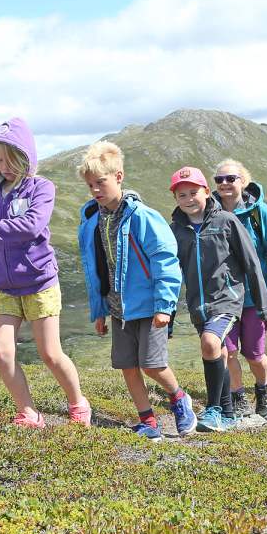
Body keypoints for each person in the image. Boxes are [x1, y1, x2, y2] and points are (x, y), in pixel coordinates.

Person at [0, 118, 91, 428]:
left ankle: (78, 402)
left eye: (11, 160)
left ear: (27, 157)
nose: (5, 166)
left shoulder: (42, 187)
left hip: (39, 283)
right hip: (3, 286)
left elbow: (30, 226)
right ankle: (28, 412)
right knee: (1, 351)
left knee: (50, 354)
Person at [76, 141, 197, 439]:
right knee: (128, 366)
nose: (95, 190)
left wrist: (164, 306)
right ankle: (148, 421)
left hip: (150, 306)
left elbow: (165, 260)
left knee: (153, 364)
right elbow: (98, 269)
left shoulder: (142, 215)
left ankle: (179, 398)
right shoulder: (94, 220)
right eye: (90, 185)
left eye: (100, 182)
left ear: (118, 177)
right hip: (118, 309)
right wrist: (100, 310)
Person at [169, 166, 267, 432]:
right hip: (198, 305)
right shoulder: (176, 230)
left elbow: (251, 263)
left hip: (226, 299)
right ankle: (227, 413)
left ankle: (212, 409)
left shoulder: (226, 221)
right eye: (182, 195)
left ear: (205, 191)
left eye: (193, 192)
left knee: (210, 343)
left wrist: (262, 305)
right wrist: (168, 312)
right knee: (220, 352)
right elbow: (171, 273)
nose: (189, 199)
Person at [211, 159, 267, 419]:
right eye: (219, 180)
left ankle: (263, 390)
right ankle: (238, 397)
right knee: (229, 351)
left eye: (230, 178)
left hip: (254, 295)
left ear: (243, 182)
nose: (224, 184)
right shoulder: (210, 212)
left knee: (255, 355)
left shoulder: (259, 213)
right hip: (224, 296)